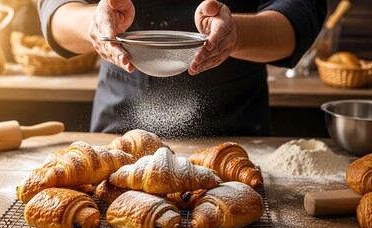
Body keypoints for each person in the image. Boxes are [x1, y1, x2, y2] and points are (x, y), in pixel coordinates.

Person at [37, 0, 327, 138]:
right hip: (118, 132)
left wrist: (232, 33)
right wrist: (95, 26)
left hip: (235, 132)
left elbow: (299, 18)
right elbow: (55, 13)